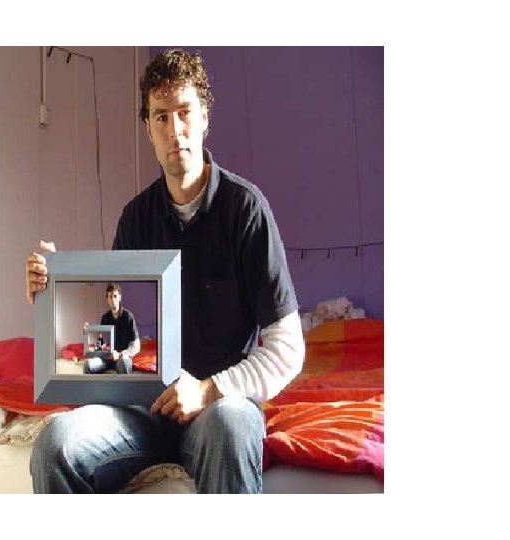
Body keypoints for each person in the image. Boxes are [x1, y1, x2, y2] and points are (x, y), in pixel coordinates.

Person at [24, 49, 305, 494]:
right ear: (148, 129)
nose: (174, 130)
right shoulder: (136, 217)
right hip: (147, 410)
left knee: (231, 425)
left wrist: (210, 390)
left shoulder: (246, 210)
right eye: (160, 117)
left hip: (218, 407)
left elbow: (288, 349)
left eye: (184, 112)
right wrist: (52, 287)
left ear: (205, 117)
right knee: (54, 442)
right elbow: (106, 325)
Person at [82, 283, 140, 375]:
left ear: (120, 297)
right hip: (106, 358)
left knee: (124, 362)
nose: (113, 300)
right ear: (107, 299)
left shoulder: (128, 317)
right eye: (110, 297)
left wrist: (120, 354)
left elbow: (136, 346)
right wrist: (88, 333)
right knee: (87, 365)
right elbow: (100, 343)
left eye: (115, 296)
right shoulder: (105, 318)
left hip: (121, 357)